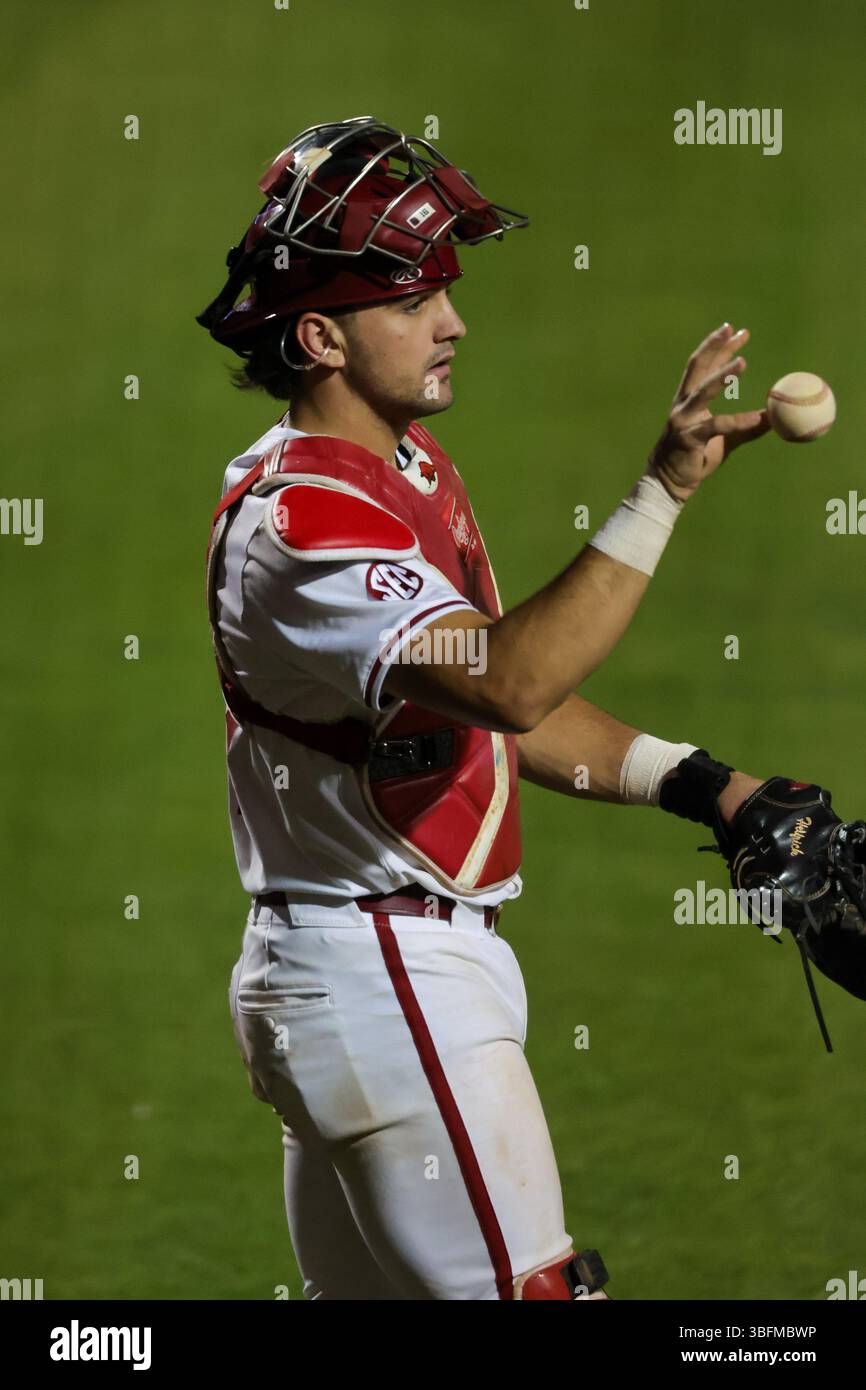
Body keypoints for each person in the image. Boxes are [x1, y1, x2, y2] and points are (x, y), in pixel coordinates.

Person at [198, 117, 771, 1301]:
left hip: (376, 970)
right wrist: (659, 493)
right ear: (319, 336)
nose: (452, 322)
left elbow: (498, 707)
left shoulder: (401, 472)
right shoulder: (309, 526)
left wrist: (705, 785)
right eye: (410, 301)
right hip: (383, 971)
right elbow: (510, 676)